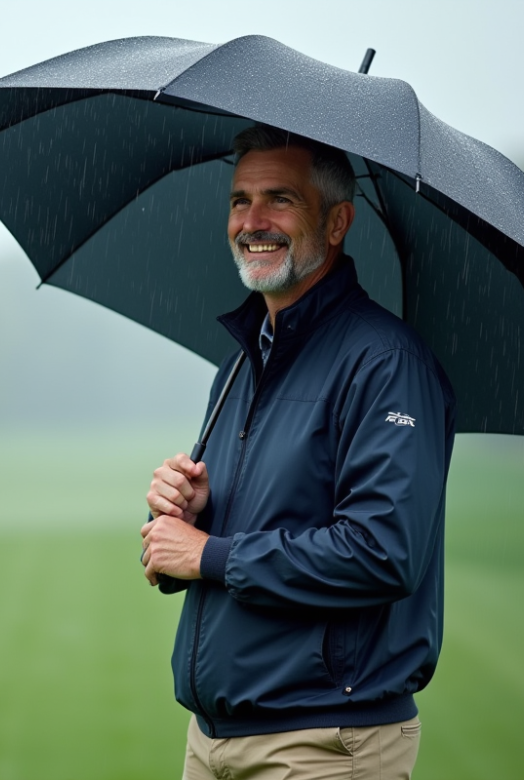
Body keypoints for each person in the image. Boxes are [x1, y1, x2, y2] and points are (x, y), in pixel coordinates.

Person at [140, 125, 456, 780]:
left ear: (337, 221)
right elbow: (224, 546)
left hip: (323, 745)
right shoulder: (239, 363)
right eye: (238, 200)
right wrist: (190, 516)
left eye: (279, 199)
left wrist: (209, 553)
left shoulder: (387, 364)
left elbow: (380, 552)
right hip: (211, 741)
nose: (252, 221)